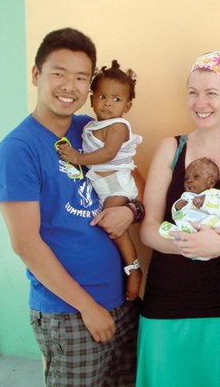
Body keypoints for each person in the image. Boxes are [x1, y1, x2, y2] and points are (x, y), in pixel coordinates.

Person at [0, 28, 141, 387]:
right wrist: (88, 308)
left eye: (80, 77)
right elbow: (25, 244)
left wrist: (131, 211)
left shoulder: (91, 129)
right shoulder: (17, 150)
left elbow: (134, 180)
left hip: (120, 301)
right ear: (36, 75)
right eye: (58, 73)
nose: (68, 86)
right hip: (71, 312)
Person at [137, 51, 220, 386]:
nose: (201, 103)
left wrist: (218, 246)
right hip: (167, 303)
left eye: (211, 93)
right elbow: (148, 228)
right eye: (193, 92)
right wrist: (185, 244)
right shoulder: (171, 148)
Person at [56, 60, 143, 300]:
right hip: (103, 186)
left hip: (116, 184)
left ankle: (133, 269)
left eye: (116, 99)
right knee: (109, 226)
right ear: (93, 98)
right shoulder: (91, 124)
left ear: (127, 105)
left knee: (114, 228)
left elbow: (108, 154)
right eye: (102, 96)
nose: (107, 103)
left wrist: (77, 157)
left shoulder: (118, 126)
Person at [159, 156, 220, 241]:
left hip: (209, 226)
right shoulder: (186, 196)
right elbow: (177, 215)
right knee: (181, 223)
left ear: (210, 183)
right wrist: (177, 207)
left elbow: (219, 209)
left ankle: (190, 234)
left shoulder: (214, 194)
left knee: (214, 223)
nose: (189, 181)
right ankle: (180, 233)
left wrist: (204, 202)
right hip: (190, 223)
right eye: (186, 178)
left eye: (196, 177)